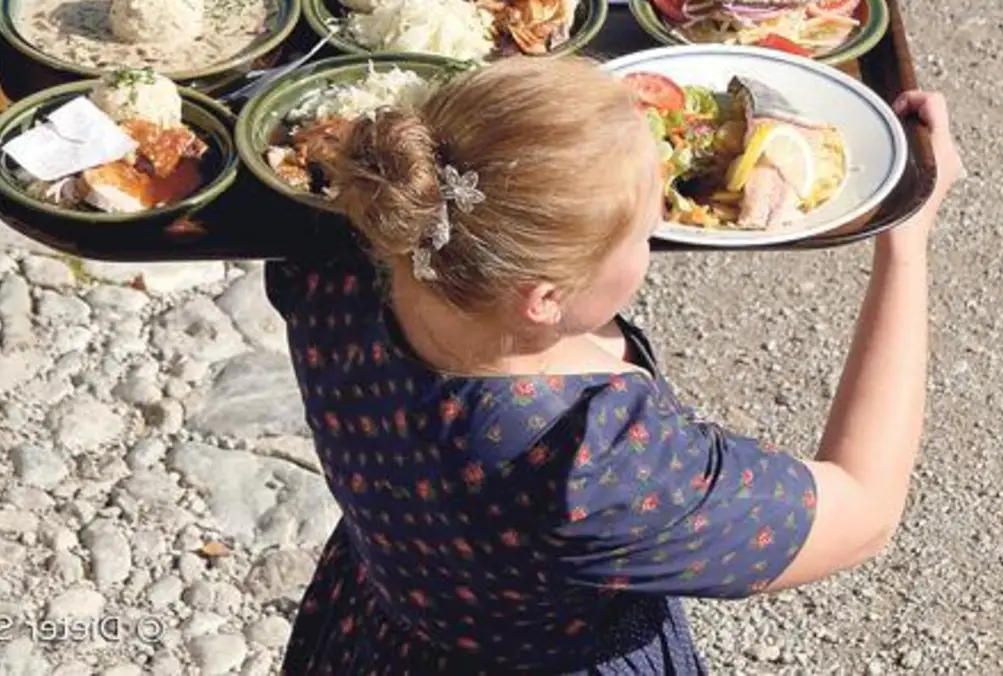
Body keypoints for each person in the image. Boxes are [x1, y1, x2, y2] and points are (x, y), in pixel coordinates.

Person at [262, 56, 964, 674]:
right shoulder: (591, 462)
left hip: (384, 631)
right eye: (645, 226)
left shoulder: (344, 264)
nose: (657, 232)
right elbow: (862, 507)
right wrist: (904, 244)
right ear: (542, 298)